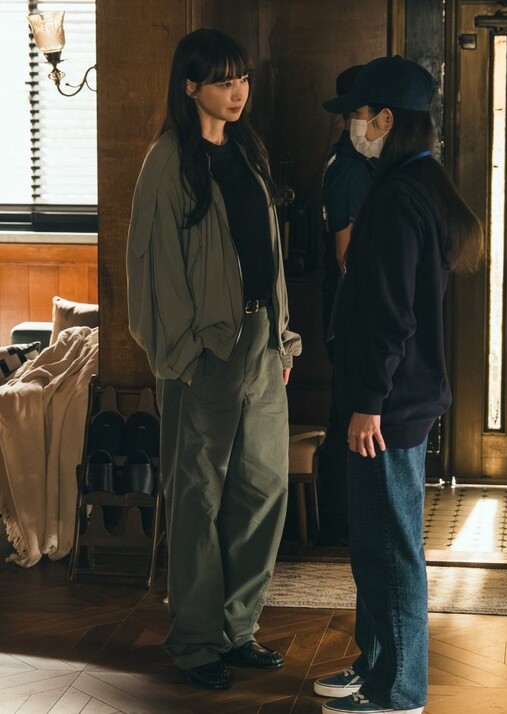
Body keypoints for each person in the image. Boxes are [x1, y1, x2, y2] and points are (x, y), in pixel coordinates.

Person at [126, 28, 301, 690]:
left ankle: (237, 629)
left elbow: (268, 257)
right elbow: (151, 271)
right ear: (190, 86)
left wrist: (282, 340)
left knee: (262, 490)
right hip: (203, 353)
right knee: (197, 498)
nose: (238, 91)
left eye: (243, 78)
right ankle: (196, 639)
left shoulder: (248, 152)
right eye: (224, 80)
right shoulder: (168, 161)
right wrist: (182, 355)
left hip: (261, 344)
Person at [313, 56, 485, 714]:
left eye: (359, 115)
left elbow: (391, 316)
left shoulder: (397, 198)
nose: (354, 127)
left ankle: (401, 691)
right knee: (374, 544)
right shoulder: (415, 184)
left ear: (385, 120)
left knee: (391, 549)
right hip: (393, 402)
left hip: (388, 407)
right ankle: (377, 664)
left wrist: (368, 404)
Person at [319, 64, 378, 547]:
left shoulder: (359, 165)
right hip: (350, 313)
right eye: (366, 114)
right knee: (347, 417)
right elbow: (347, 256)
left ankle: (345, 522)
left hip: (350, 313)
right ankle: (339, 525)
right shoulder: (349, 170)